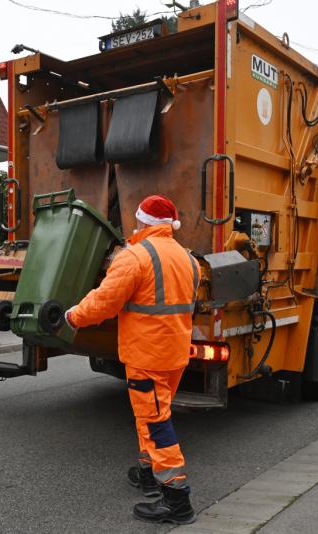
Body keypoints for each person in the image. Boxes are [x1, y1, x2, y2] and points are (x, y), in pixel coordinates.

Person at [65, 195, 199, 525]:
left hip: (146, 355)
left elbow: (104, 303)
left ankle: (177, 499)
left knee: (155, 423)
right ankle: (148, 474)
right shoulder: (189, 259)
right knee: (152, 413)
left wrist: (72, 316)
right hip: (175, 354)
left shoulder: (135, 257)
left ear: (143, 222)